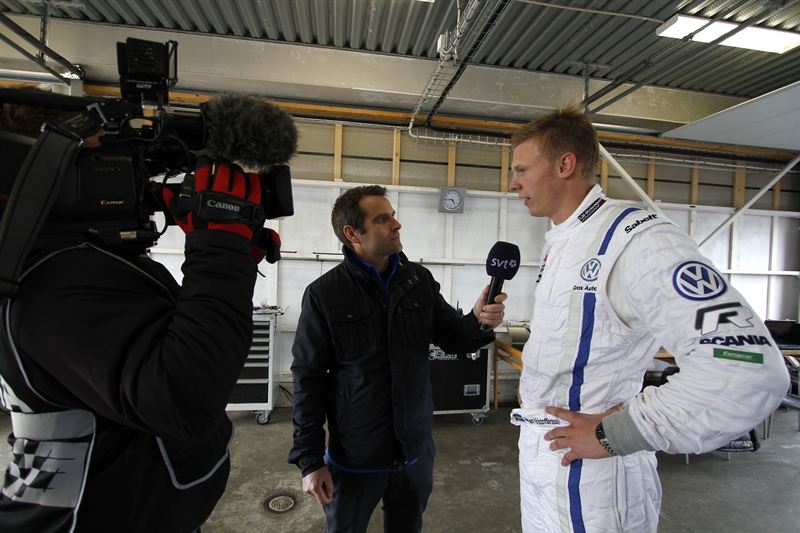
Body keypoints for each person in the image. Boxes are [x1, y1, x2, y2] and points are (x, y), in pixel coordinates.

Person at [0, 94, 295, 532]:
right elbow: (186, 400)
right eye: (105, 164)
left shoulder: (87, 264)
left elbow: (181, 344)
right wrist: (219, 251)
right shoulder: (53, 284)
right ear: (40, 177)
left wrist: (231, 259)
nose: (133, 178)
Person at [507, 105, 789, 533]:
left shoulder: (637, 239)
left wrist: (618, 432)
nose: (513, 184)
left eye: (522, 170)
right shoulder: (564, 241)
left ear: (565, 165)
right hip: (544, 465)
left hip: (596, 478)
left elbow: (747, 369)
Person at [288, 185, 506, 533]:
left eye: (393, 215)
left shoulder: (418, 280)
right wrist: (310, 461)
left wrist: (479, 320)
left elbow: (454, 335)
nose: (396, 224)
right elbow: (308, 379)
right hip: (357, 457)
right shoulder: (325, 294)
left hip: (414, 452)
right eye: (382, 219)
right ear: (352, 233)